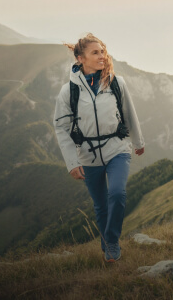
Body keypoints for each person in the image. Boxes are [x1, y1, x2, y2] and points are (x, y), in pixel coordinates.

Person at [54, 33, 145, 262]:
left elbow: (129, 114)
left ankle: (112, 239)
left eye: (102, 52)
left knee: (117, 193)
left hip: (117, 149)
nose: (102, 56)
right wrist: (72, 163)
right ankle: (107, 245)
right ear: (80, 58)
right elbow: (61, 128)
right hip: (88, 155)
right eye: (95, 53)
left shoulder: (116, 82)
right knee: (100, 205)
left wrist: (138, 142)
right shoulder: (69, 91)